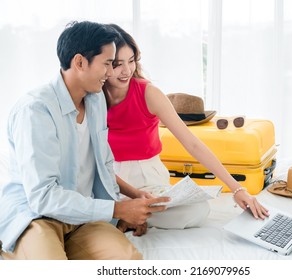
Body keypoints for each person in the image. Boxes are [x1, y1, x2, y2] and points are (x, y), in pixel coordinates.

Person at [0, 21, 169, 260]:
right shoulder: (35, 110)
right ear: (80, 62)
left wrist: (133, 199)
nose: (111, 73)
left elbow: (103, 165)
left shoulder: (96, 99)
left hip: (84, 216)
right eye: (107, 64)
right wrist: (118, 208)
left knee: (127, 262)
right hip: (36, 216)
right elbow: (43, 198)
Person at [102, 24, 269, 230]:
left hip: (148, 179)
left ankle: (127, 214)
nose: (127, 70)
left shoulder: (148, 93)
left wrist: (237, 190)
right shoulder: (92, 97)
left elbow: (192, 144)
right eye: (118, 64)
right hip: (107, 178)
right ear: (104, 63)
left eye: (131, 61)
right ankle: (124, 212)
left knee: (197, 210)